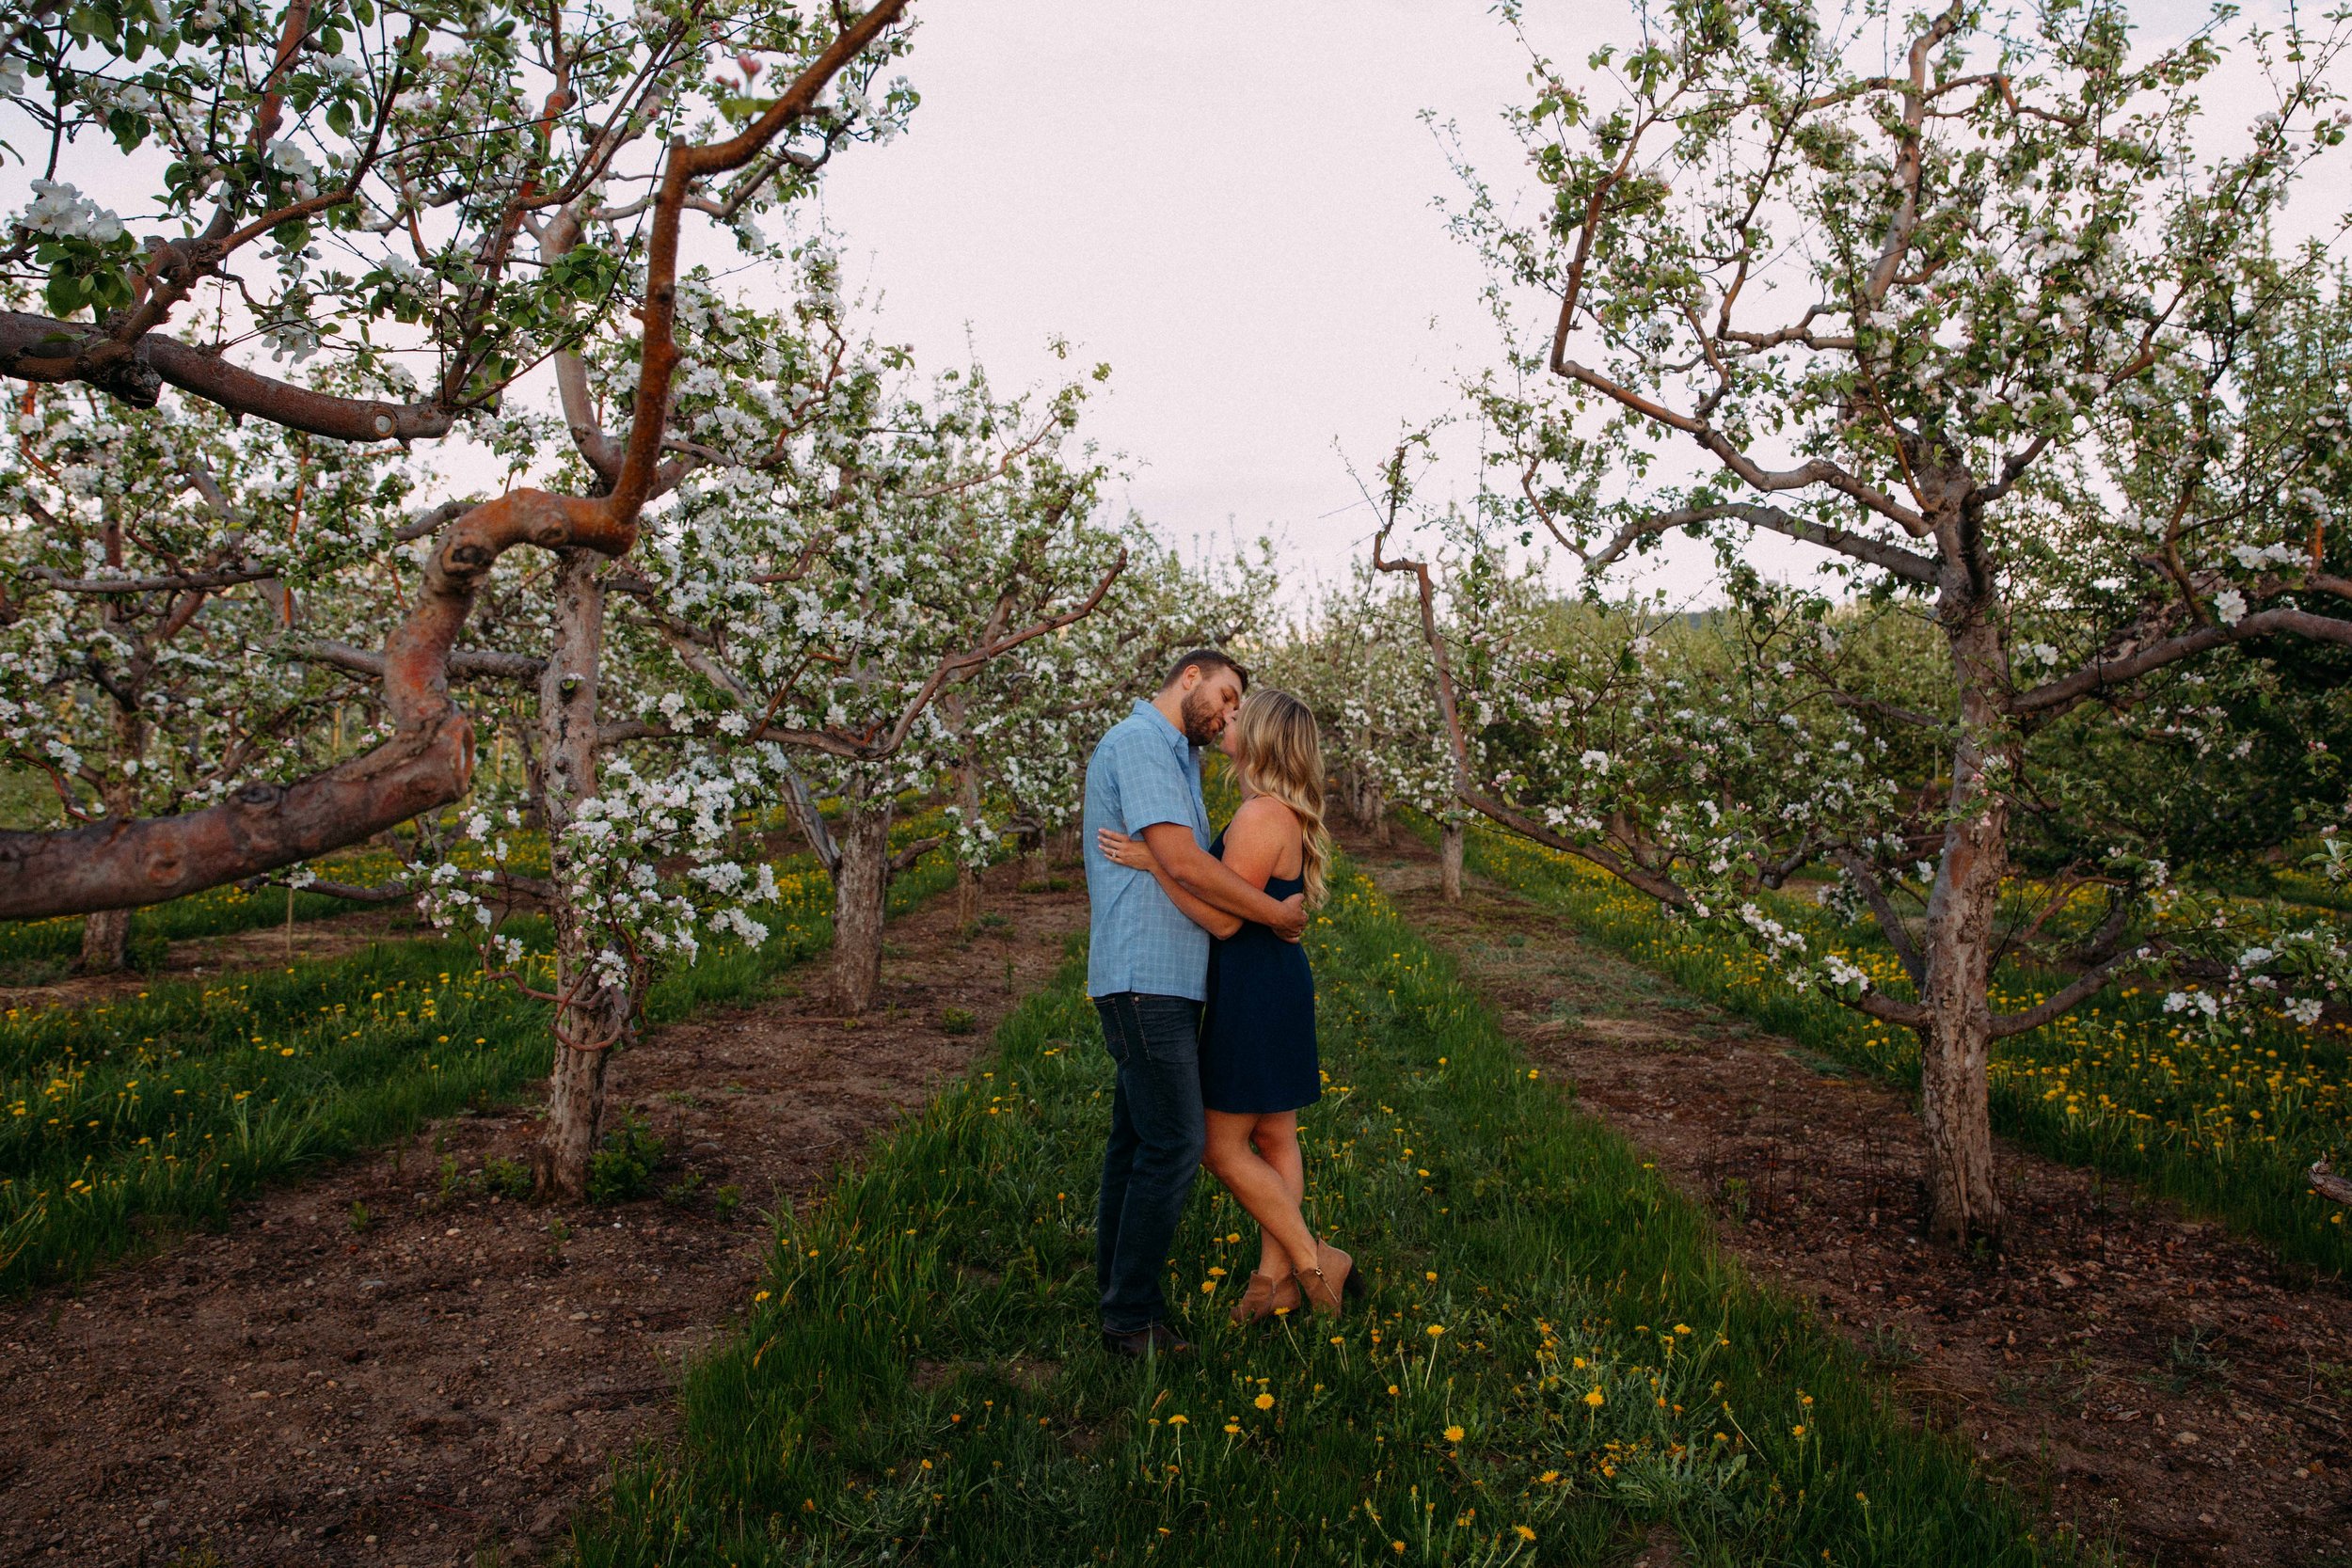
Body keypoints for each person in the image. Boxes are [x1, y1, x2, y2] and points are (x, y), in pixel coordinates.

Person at [1098, 689, 1354, 1323]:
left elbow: (1222, 919)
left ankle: (1310, 1257)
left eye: (1239, 717)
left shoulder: (1261, 816)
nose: (1225, 722)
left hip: (1254, 988)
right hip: (1272, 981)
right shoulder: (1270, 812)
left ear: (1262, 737)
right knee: (1275, 1134)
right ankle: (1276, 1280)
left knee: (1218, 1144)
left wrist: (1156, 862)